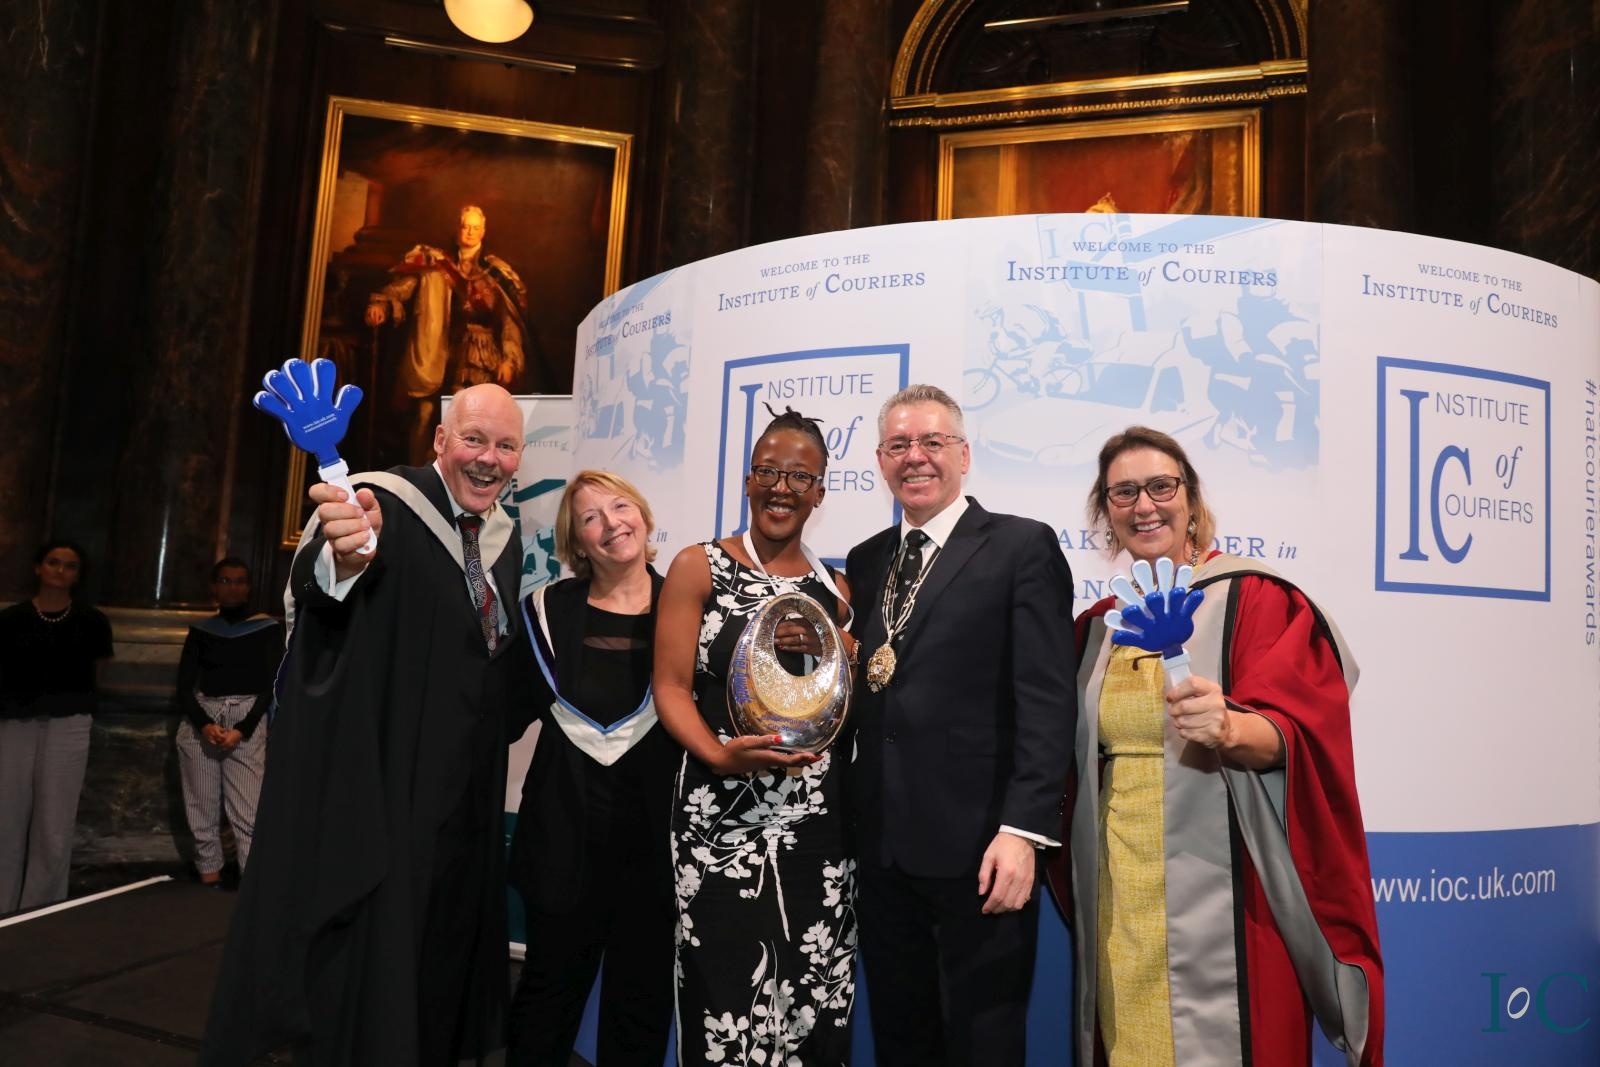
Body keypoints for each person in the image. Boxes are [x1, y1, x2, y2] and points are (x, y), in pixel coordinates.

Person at [202, 383, 527, 1066]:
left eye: (506, 445)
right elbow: (331, 574)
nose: (489, 458)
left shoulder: (504, 532)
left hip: (465, 789)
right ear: (440, 440)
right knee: (373, 959)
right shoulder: (385, 502)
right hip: (386, 782)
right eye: (474, 439)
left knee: (441, 951)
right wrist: (344, 558)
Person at [1057, 425, 1383, 1066]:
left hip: (1229, 890)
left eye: (1160, 486)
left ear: (1191, 499)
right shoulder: (1098, 629)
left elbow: (1300, 733)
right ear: (1105, 511)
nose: (1144, 505)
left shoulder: (1255, 598)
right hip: (1121, 891)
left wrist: (1231, 727)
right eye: (1124, 492)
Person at [844, 383, 1076, 1066]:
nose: (915, 457)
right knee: (901, 1040)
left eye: (932, 442)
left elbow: (1047, 700)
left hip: (982, 851)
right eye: (898, 445)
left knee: (984, 1043)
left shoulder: (1021, 546)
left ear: (964, 455)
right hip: (882, 852)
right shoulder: (865, 560)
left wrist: (1023, 832)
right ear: (881, 461)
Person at [653, 406, 859, 1065]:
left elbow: (843, 705)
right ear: (747, 480)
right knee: (724, 994)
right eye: (768, 471)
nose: (781, 487)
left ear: (819, 493)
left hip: (817, 827)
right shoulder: (699, 566)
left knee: (813, 996)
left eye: (800, 476)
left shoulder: (836, 590)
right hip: (720, 820)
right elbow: (670, 688)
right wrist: (717, 755)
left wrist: (840, 649)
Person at [507, 470, 678, 1066]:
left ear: (644, 517)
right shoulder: (544, 612)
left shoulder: (688, 611)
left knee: (640, 1009)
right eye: (590, 518)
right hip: (563, 844)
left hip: (654, 850)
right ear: (576, 542)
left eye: (620, 507)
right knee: (546, 1002)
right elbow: (499, 712)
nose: (611, 524)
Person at [0, 540, 114, 913]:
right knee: (6, 819)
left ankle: (41, 909)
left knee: (54, 822)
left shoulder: (92, 621)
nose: (60, 570)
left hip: (69, 722)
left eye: (69, 565)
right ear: (38, 567)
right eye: (53, 562)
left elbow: (98, 672)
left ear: (77, 576)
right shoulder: (11, 619)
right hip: (14, 723)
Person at [366, 203, 530, 462]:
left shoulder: (496, 273)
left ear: (483, 231)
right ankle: (416, 473)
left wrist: (509, 359)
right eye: (465, 226)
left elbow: (509, 323)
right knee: (423, 417)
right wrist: (382, 305)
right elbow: (401, 288)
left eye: (475, 227)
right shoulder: (435, 264)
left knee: (465, 421)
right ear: (458, 229)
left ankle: (455, 475)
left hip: (476, 359)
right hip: (434, 352)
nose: (470, 232)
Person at [172, 557, 281, 886]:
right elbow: (184, 686)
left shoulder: (267, 628)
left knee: (248, 812)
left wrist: (243, 729)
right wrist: (204, 724)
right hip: (204, 718)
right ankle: (209, 880)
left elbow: (272, 684)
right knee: (200, 807)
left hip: (245, 718)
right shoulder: (201, 631)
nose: (232, 587)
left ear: (248, 588)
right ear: (213, 587)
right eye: (225, 581)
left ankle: (252, 887)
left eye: (239, 581)